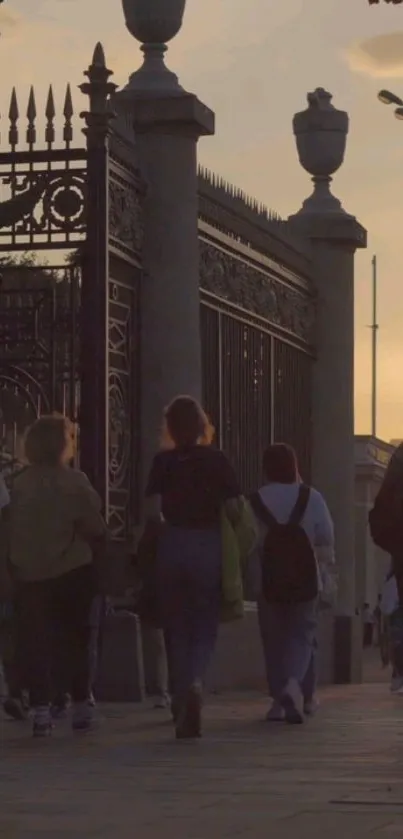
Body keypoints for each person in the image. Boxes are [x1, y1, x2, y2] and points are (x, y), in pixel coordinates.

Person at [143, 395, 243, 739]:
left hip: (172, 543)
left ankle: (178, 691)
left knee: (174, 625)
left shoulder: (163, 462)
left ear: (170, 428)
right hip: (208, 543)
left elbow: (151, 512)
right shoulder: (217, 461)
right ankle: (195, 682)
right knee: (204, 622)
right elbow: (233, 510)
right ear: (202, 426)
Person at [6, 415, 107, 737]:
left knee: (36, 642)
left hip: (28, 572)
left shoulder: (18, 484)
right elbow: (95, 527)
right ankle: (80, 706)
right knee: (78, 639)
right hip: (72, 570)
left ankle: (40, 711)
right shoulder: (75, 482)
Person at [250, 443, 334, 725]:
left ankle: (278, 701)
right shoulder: (312, 497)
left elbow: (248, 543)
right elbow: (326, 539)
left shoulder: (255, 500)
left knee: (273, 640)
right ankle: (297, 688)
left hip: (269, 580)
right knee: (302, 635)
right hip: (306, 579)